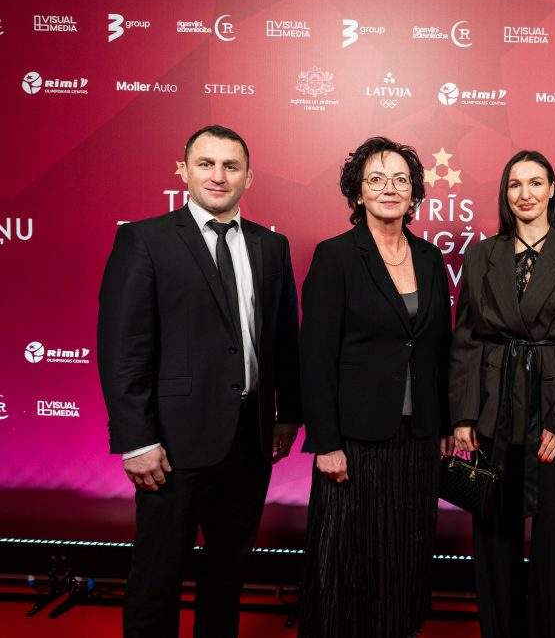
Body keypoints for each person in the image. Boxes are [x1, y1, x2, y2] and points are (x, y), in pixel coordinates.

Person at [97, 124, 302, 638]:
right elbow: (124, 349)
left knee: (226, 578)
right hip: (171, 446)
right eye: (206, 164)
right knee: (157, 577)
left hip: (250, 442)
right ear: (183, 171)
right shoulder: (145, 240)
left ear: (249, 177)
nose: (218, 176)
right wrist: (135, 440)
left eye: (231, 166)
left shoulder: (271, 247)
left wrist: (288, 416)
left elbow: (284, 341)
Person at [299, 136, 452, 638]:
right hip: (354, 441)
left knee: (405, 554)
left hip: (418, 437)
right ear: (358, 191)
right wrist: (326, 443)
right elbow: (315, 357)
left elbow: (438, 350)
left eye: (400, 180)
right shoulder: (336, 256)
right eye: (376, 179)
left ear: (414, 193)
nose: (389, 188)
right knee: (347, 558)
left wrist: (445, 424)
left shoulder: (430, 259)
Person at [449, 150, 555, 638]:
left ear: (552, 190)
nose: (525, 194)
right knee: (493, 531)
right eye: (515, 184)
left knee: (554, 534)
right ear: (505, 193)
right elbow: (466, 339)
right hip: (492, 409)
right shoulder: (480, 255)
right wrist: (463, 416)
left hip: (551, 414)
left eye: (536, 183)